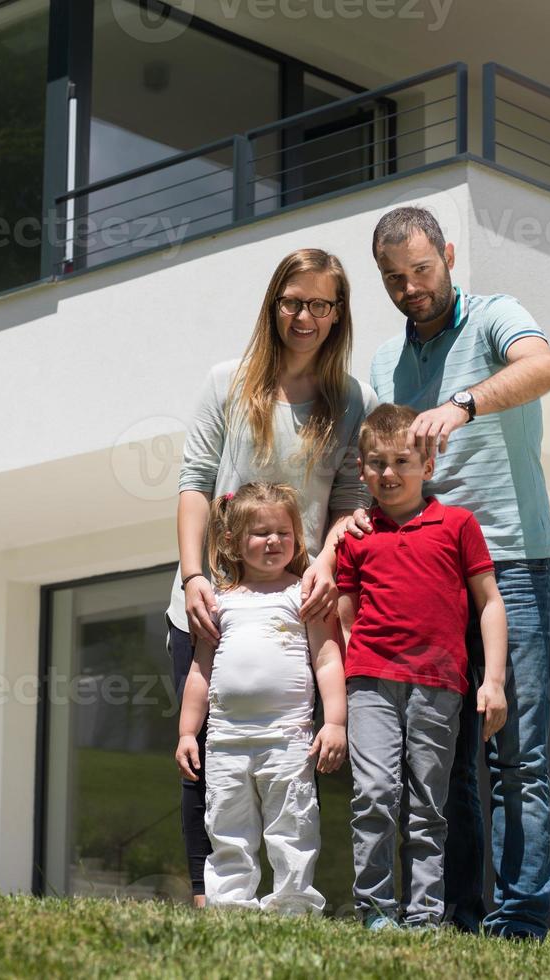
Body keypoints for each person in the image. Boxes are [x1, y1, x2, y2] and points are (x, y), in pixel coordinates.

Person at [366, 207, 550, 940]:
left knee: (516, 752)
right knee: (441, 760)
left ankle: (520, 917)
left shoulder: (494, 317)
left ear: (447, 255)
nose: (411, 288)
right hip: (428, 573)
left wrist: (464, 403)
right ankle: (455, 911)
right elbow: (385, 459)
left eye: (421, 270)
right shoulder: (386, 361)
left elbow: (542, 366)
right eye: (394, 280)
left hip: (509, 560)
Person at [165, 248, 375, 906]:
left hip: (293, 609)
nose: (304, 316)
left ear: (337, 315)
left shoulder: (347, 400)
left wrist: (327, 567)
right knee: (205, 750)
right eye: (293, 301)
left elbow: (347, 507)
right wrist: (194, 574)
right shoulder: (227, 381)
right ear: (273, 304)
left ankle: (289, 894)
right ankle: (210, 898)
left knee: (287, 759)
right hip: (212, 601)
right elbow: (194, 484)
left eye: (320, 304)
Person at [335, 403, 508, 930]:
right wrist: (353, 674)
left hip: (440, 684)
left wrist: (493, 681)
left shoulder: (458, 525)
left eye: (401, 461)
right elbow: (345, 616)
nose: (389, 473)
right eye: (376, 463)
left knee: (430, 804)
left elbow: (490, 602)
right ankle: (375, 910)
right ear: (362, 469)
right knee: (374, 794)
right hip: (371, 685)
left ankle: (426, 916)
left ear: (427, 466)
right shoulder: (357, 537)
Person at [175, 482, 347, 912]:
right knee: (227, 825)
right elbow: (200, 671)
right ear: (232, 540)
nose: (274, 541)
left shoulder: (304, 594)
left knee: (292, 826)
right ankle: (230, 904)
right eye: (261, 533)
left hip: (288, 738)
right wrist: (187, 733)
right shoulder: (219, 602)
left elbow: (327, 659)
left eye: (283, 532)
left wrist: (335, 722)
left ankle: (293, 904)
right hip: (226, 740)